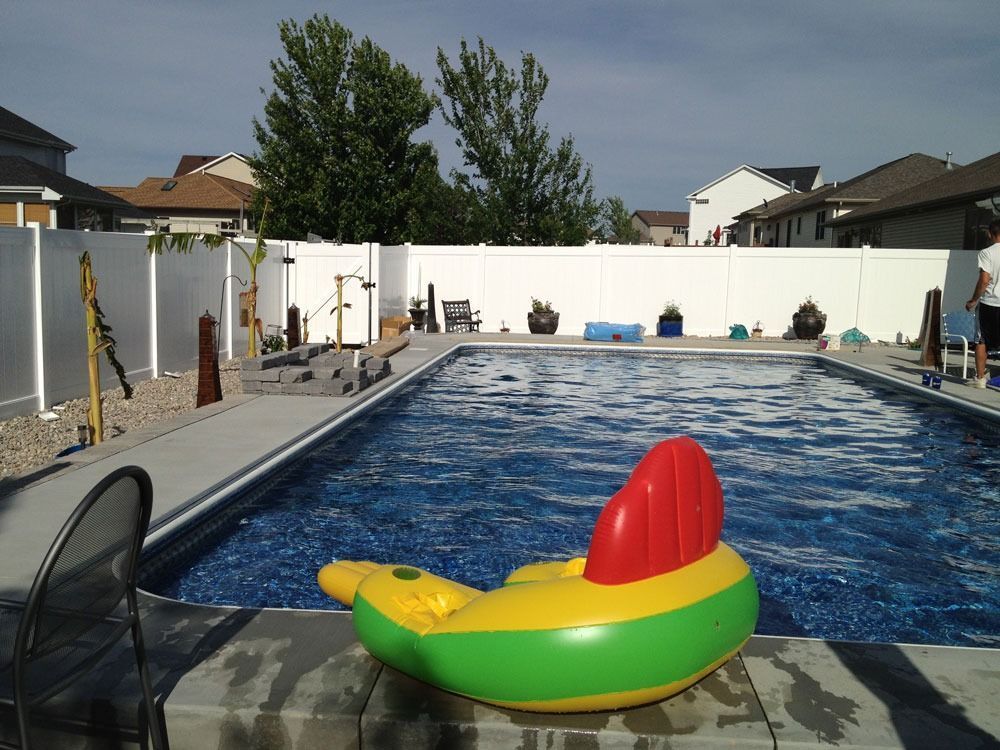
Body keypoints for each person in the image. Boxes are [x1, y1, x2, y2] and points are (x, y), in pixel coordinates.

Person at [965, 219, 1000, 388]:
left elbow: (984, 281)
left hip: (990, 303)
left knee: (982, 340)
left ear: (990, 234)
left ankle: (980, 379)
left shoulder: (987, 253)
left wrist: (973, 300)